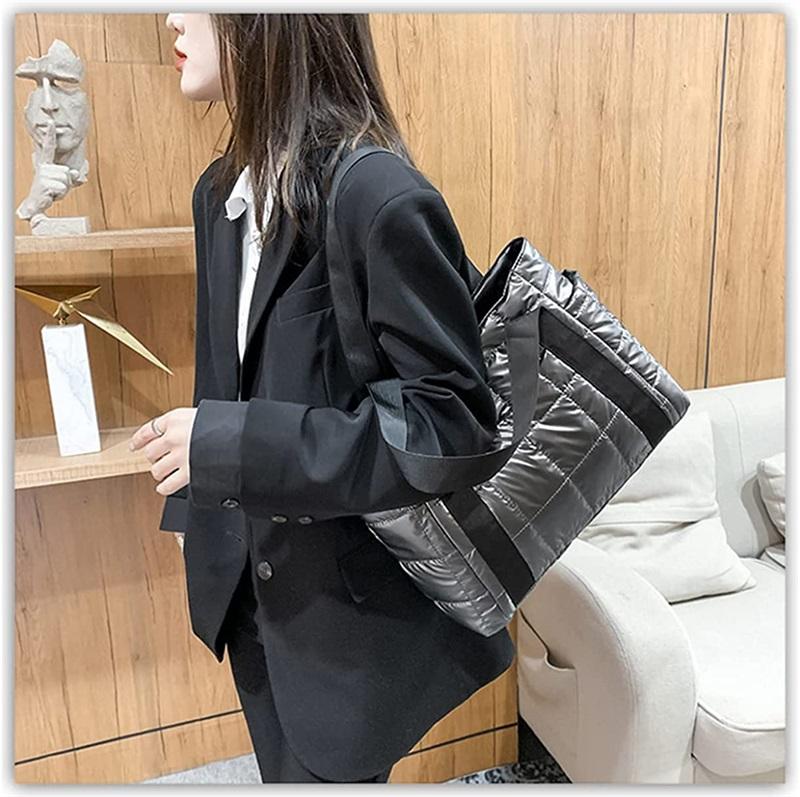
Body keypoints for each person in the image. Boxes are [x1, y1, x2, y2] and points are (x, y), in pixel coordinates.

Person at [129, 12, 516, 784]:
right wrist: (199, 507)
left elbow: (450, 424)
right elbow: (224, 377)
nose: (171, 16)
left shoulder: (376, 194)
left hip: (347, 619)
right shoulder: (220, 193)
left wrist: (233, 448)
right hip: (251, 598)